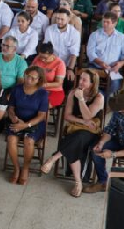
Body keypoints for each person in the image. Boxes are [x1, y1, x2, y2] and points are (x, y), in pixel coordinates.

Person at [40, 69, 104, 198]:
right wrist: (81, 121)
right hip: (75, 128)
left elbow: (89, 116)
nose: (80, 82)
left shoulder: (99, 97)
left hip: (91, 132)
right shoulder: (72, 93)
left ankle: (54, 158)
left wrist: (81, 100)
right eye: (80, 78)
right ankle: (78, 182)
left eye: (84, 80)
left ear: (92, 83)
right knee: (76, 140)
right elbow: (67, 116)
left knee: (78, 138)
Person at [6, 66, 49, 185]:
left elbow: (41, 116)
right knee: (11, 139)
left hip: (34, 123)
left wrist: (26, 125)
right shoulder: (17, 89)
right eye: (27, 76)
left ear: (38, 80)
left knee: (28, 140)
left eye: (32, 78)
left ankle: (25, 168)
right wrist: (13, 117)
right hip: (17, 120)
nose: (28, 80)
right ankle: (16, 168)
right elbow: (11, 108)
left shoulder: (42, 93)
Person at [87, 12, 124, 96]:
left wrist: (120, 64)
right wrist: (100, 62)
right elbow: (90, 52)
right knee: (88, 81)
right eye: (104, 21)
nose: (104, 24)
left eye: (108, 22)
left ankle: (104, 102)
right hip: (96, 66)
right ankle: (96, 99)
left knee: (115, 85)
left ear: (115, 23)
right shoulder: (95, 35)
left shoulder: (122, 37)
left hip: (113, 68)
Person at [45, 9, 81, 85]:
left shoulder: (75, 33)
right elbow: (47, 49)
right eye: (57, 18)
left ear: (68, 19)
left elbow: (74, 54)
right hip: (52, 62)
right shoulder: (49, 30)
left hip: (67, 64)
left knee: (69, 81)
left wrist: (70, 69)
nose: (59, 21)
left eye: (62, 19)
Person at [31, 42, 67, 107]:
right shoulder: (38, 58)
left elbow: (58, 83)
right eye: (40, 56)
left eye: (45, 58)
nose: (42, 59)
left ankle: (41, 117)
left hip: (54, 90)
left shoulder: (60, 63)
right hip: (37, 88)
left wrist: (43, 85)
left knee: (42, 105)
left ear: (51, 54)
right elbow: (30, 71)